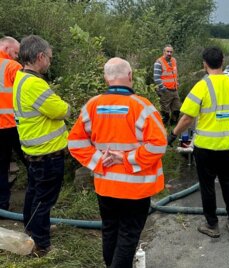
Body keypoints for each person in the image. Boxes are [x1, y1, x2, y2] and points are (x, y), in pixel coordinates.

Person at [68, 57, 167, 267]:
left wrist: (99, 161)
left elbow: (76, 142)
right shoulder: (142, 107)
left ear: (106, 78)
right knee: (128, 236)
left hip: (105, 186)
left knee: (110, 230)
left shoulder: (92, 105)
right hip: (136, 188)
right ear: (130, 76)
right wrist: (128, 158)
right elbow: (158, 145)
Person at [168, 47, 229, 238]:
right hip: (227, 146)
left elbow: (187, 118)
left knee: (207, 186)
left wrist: (173, 134)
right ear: (222, 62)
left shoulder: (202, 86)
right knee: (228, 183)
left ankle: (212, 225)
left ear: (205, 63)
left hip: (205, 148)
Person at [13, 35, 70, 257]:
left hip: (34, 152)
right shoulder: (35, 83)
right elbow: (61, 110)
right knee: (44, 200)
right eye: (50, 58)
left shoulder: (21, 78)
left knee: (34, 194)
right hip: (47, 154)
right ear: (40, 56)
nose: (50, 62)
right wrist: (66, 107)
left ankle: (34, 229)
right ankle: (42, 245)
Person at [0, 36, 28, 210]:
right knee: (31, 161)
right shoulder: (12, 66)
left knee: (0, 167)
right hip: (12, 125)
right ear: (7, 47)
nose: (17, 56)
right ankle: (38, 199)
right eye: (16, 52)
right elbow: (26, 94)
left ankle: (2, 206)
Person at [153, 44, 181, 125]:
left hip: (174, 90)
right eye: (167, 51)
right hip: (165, 91)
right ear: (163, 52)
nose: (169, 53)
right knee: (165, 113)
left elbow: (175, 73)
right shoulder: (158, 62)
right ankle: (163, 128)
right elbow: (156, 78)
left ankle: (173, 128)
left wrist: (177, 82)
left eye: (171, 52)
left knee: (177, 110)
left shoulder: (174, 60)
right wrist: (163, 89)